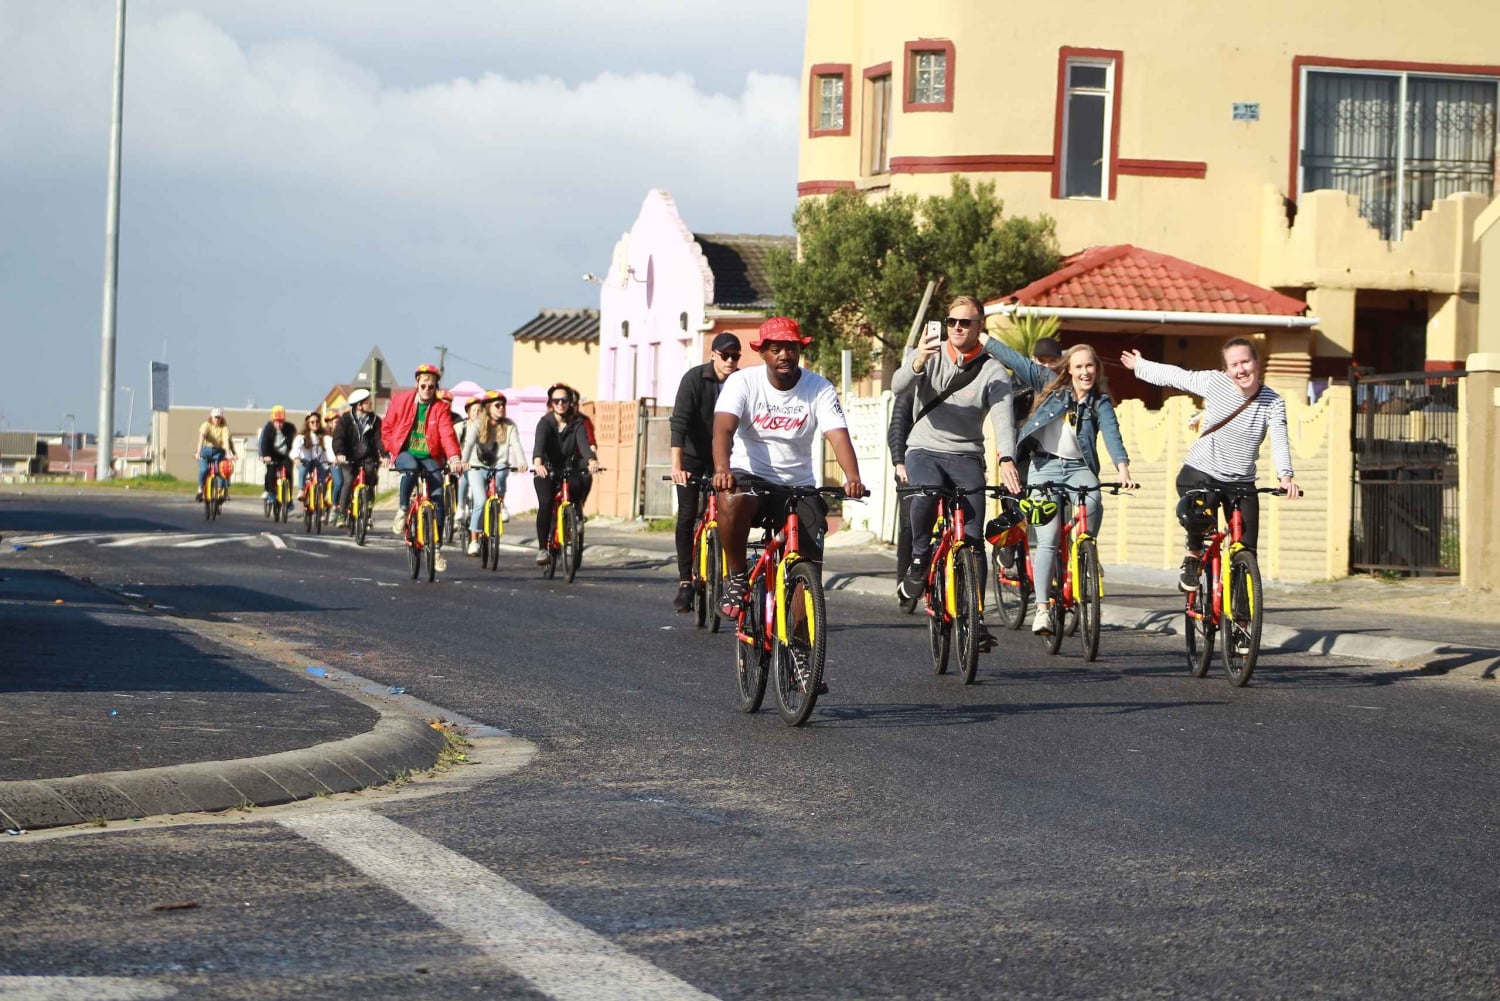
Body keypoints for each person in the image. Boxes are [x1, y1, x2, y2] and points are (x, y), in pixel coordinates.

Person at [712, 316, 866, 622]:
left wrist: (853, 478)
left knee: (808, 561)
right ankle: (738, 577)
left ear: (800, 350)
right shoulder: (743, 382)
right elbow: (723, 429)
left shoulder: (818, 387)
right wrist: (722, 469)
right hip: (750, 476)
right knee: (730, 498)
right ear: (763, 353)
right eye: (776, 349)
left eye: (791, 348)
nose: (785, 355)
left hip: (798, 485)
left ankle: (800, 643)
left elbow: (837, 434)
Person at [891, 295, 1022, 652]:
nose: (957, 328)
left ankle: (976, 619)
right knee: (926, 493)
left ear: (980, 326)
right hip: (924, 448)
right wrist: (918, 360)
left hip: (966, 455)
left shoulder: (994, 371)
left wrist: (1007, 457)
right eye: (951, 322)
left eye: (965, 322)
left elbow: (1002, 419)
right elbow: (898, 387)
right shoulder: (928, 355)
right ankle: (919, 560)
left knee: (973, 536)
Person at [1121, 337, 1301, 590]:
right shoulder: (1215, 382)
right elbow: (1176, 376)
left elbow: (1280, 437)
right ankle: (1194, 555)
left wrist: (1285, 477)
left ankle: (1242, 621)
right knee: (1200, 520)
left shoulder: (1273, 401)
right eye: (1234, 364)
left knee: (1247, 549)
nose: (1241, 370)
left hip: (1241, 482)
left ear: (1257, 362)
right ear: (1226, 370)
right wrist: (1141, 365)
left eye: (1246, 362)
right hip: (1201, 473)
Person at [985, 340, 1136, 634]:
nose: (1085, 372)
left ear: (1097, 369)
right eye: (1078, 366)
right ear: (1068, 369)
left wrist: (1123, 468)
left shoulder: (1100, 402)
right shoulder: (1050, 384)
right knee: (1048, 538)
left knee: (1093, 500)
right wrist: (986, 341)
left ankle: (1085, 552)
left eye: (1089, 366)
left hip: (1080, 469)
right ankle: (1042, 610)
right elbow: (1020, 362)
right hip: (1044, 467)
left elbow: (1112, 435)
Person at [667, 332, 742, 611]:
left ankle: (733, 576)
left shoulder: (741, 382)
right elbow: (680, 424)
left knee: (732, 514)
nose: (731, 361)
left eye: (736, 356)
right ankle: (686, 581)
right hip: (693, 457)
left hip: (725, 458)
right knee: (687, 515)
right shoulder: (694, 379)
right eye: (725, 356)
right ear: (713, 355)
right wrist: (677, 467)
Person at [381, 363, 463, 573]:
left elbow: (447, 434)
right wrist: (393, 449)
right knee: (410, 469)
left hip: (429, 455)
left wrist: (453, 458)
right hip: (405, 452)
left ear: (436, 388)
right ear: (417, 383)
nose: (427, 390)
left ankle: (435, 550)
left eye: (432, 387)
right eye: (424, 385)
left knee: (438, 499)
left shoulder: (440, 408)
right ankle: (402, 510)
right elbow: (387, 428)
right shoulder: (401, 401)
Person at [532, 382, 599, 565]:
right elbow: (539, 447)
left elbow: (584, 445)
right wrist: (538, 464)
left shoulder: (577, 423)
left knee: (579, 483)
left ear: (570, 402)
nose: (560, 404)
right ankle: (543, 548)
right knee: (546, 503)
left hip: (568, 468)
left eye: (564, 400)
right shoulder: (545, 423)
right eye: (556, 401)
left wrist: (592, 460)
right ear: (551, 403)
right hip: (546, 469)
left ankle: (574, 516)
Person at [462, 391, 525, 556]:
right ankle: (474, 539)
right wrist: (463, 461)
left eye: (504, 405)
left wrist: (522, 462)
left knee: (502, 472)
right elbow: (468, 445)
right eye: (498, 405)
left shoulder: (509, 426)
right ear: (488, 408)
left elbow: (516, 445)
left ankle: (501, 503)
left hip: (498, 464)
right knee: (480, 501)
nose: (502, 408)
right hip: (476, 466)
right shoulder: (477, 425)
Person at [332, 388, 384, 523]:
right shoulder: (345, 420)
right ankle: (342, 514)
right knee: (348, 482)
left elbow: (379, 439)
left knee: (371, 476)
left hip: (368, 456)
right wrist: (340, 453)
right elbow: (339, 438)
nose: (370, 404)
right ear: (359, 406)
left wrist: (383, 454)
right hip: (349, 457)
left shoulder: (375, 420)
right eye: (367, 402)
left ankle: (368, 507)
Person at [886, 388, 916, 579]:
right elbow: (896, 430)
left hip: (946, 463)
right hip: (909, 465)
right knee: (909, 523)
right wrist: (899, 463)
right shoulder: (908, 391)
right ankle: (903, 579)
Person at [291, 412, 332, 507]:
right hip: (306, 460)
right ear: (308, 424)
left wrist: (333, 459)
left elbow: (330, 446)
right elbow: (296, 446)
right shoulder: (302, 436)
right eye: (312, 422)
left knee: (324, 476)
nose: (315, 424)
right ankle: (302, 490)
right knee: (303, 469)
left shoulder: (324, 435)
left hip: (319, 461)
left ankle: (323, 494)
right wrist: (297, 458)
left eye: (317, 422)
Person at [454, 396, 484, 527]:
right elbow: (453, 444)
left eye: (479, 410)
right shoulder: (461, 427)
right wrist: (458, 461)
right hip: (465, 463)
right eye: (473, 410)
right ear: (468, 412)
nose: (476, 413)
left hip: (481, 464)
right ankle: (460, 506)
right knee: (463, 479)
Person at [195, 408, 236, 501]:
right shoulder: (206, 425)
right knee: (204, 470)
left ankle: (220, 492)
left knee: (221, 471)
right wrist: (198, 453)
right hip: (205, 451)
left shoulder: (224, 427)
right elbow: (201, 439)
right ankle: (200, 489)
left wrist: (228, 454)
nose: (217, 420)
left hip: (218, 452)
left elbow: (226, 441)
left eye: (219, 418)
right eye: (215, 417)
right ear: (211, 417)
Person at [258, 405, 295, 503]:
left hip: (285, 455)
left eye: (281, 422)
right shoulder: (268, 428)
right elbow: (264, 442)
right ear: (273, 421)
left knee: (289, 473)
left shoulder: (290, 428)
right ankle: (271, 492)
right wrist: (265, 455)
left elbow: (295, 442)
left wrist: (296, 456)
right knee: (271, 471)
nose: (279, 424)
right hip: (272, 455)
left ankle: (289, 499)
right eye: (277, 422)